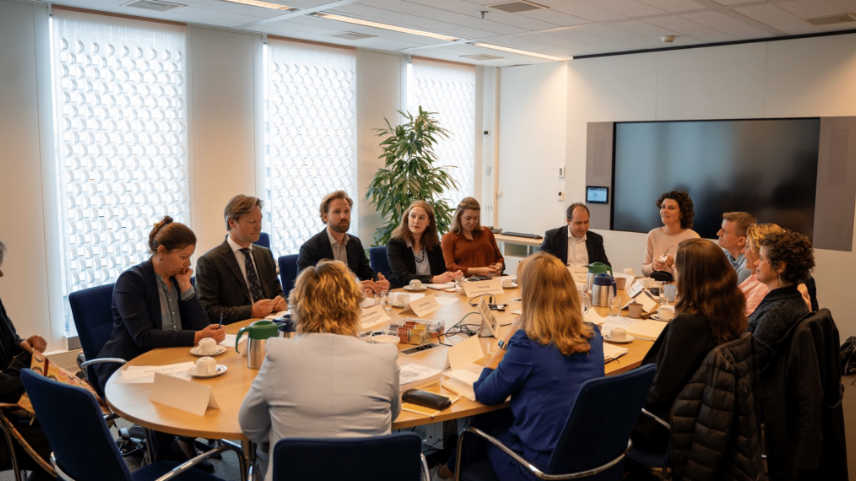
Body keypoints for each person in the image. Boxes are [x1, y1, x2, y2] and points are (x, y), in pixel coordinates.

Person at [437, 252, 604, 480]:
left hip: (538, 470)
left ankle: (446, 472)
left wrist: (505, 342)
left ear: (531, 294)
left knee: (484, 422)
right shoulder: (593, 333)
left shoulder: (528, 343)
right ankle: (449, 469)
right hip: (590, 457)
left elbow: (484, 392)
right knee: (499, 415)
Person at [238, 260, 400, 481]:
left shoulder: (279, 354)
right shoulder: (384, 357)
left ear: (300, 307)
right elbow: (392, 416)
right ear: (354, 306)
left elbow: (251, 428)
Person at [93, 217, 225, 468]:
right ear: (161, 252)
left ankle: (181, 443)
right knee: (186, 393)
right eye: (183, 257)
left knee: (212, 385)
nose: (188, 263)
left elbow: (199, 324)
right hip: (131, 364)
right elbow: (142, 336)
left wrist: (187, 288)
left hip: (172, 360)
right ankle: (163, 456)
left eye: (190, 257)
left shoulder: (178, 277)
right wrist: (196, 337)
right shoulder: (131, 281)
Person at [632, 238, 747, 453]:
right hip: (697, 418)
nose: (674, 271)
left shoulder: (688, 325)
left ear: (690, 276)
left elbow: (660, 394)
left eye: (676, 267)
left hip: (661, 426)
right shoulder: (727, 309)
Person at [0, 239, 53, 481]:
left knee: (75, 417)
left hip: (14, 393)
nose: (1, 273)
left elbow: (11, 340)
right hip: (5, 415)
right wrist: (31, 378)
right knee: (67, 432)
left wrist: (26, 343)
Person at [196, 195, 286, 324]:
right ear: (232, 222)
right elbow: (208, 311)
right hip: (236, 331)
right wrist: (251, 311)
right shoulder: (210, 261)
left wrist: (281, 301)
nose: (258, 226)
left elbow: (277, 292)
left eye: (260, 221)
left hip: (270, 325)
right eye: (252, 222)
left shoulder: (264, 254)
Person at [297, 190, 390, 294]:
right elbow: (306, 289)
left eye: (347, 211)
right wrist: (351, 288)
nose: (343, 216)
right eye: (337, 211)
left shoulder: (355, 243)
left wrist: (380, 284)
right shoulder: (310, 248)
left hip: (351, 306)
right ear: (325, 217)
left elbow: (367, 274)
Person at [747, 230, 815, 369]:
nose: (755, 263)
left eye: (760, 259)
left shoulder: (778, 312)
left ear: (780, 267)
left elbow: (754, 361)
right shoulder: (789, 299)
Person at [386, 200, 462, 288]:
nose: (416, 221)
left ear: (428, 222)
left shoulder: (433, 244)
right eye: (413, 216)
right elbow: (403, 276)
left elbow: (441, 272)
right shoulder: (395, 244)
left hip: (430, 293)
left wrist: (452, 276)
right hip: (403, 294)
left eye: (421, 218)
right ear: (407, 218)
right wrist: (433, 279)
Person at [641, 191, 700, 281]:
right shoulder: (653, 234)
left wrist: (675, 264)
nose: (664, 211)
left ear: (682, 214)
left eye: (671, 208)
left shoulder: (693, 238)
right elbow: (644, 270)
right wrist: (653, 266)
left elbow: (695, 275)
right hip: (656, 290)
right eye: (663, 207)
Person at [441, 197, 504, 276]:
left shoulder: (486, 232)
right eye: (468, 218)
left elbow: (499, 259)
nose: (472, 222)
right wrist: (480, 270)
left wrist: (498, 267)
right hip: (465, 282)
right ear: (459, 217)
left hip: (491, 280)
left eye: (475, 218)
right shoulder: (449, 238)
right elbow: (451, 267)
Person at [540, 203, 610, 267]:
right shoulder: (552, 237)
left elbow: (606, 267)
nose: (583, 227)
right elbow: (539, 263)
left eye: (586, 222)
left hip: (587, 279)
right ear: (568, 221)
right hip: (562, 279)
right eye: (578, 223)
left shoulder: (596, 240)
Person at [740, 223, 783, 316]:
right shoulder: (755, 275)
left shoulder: (764, 285)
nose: (742, 251)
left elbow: (745, 323)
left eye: (747, 246)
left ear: (762, 251)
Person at [717, 211, 756, 284]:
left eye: (725, 231)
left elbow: (729, 294)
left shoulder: (746, 269)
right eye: (721, 228)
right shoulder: (723, 253)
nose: (718, 233)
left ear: (741, 241)